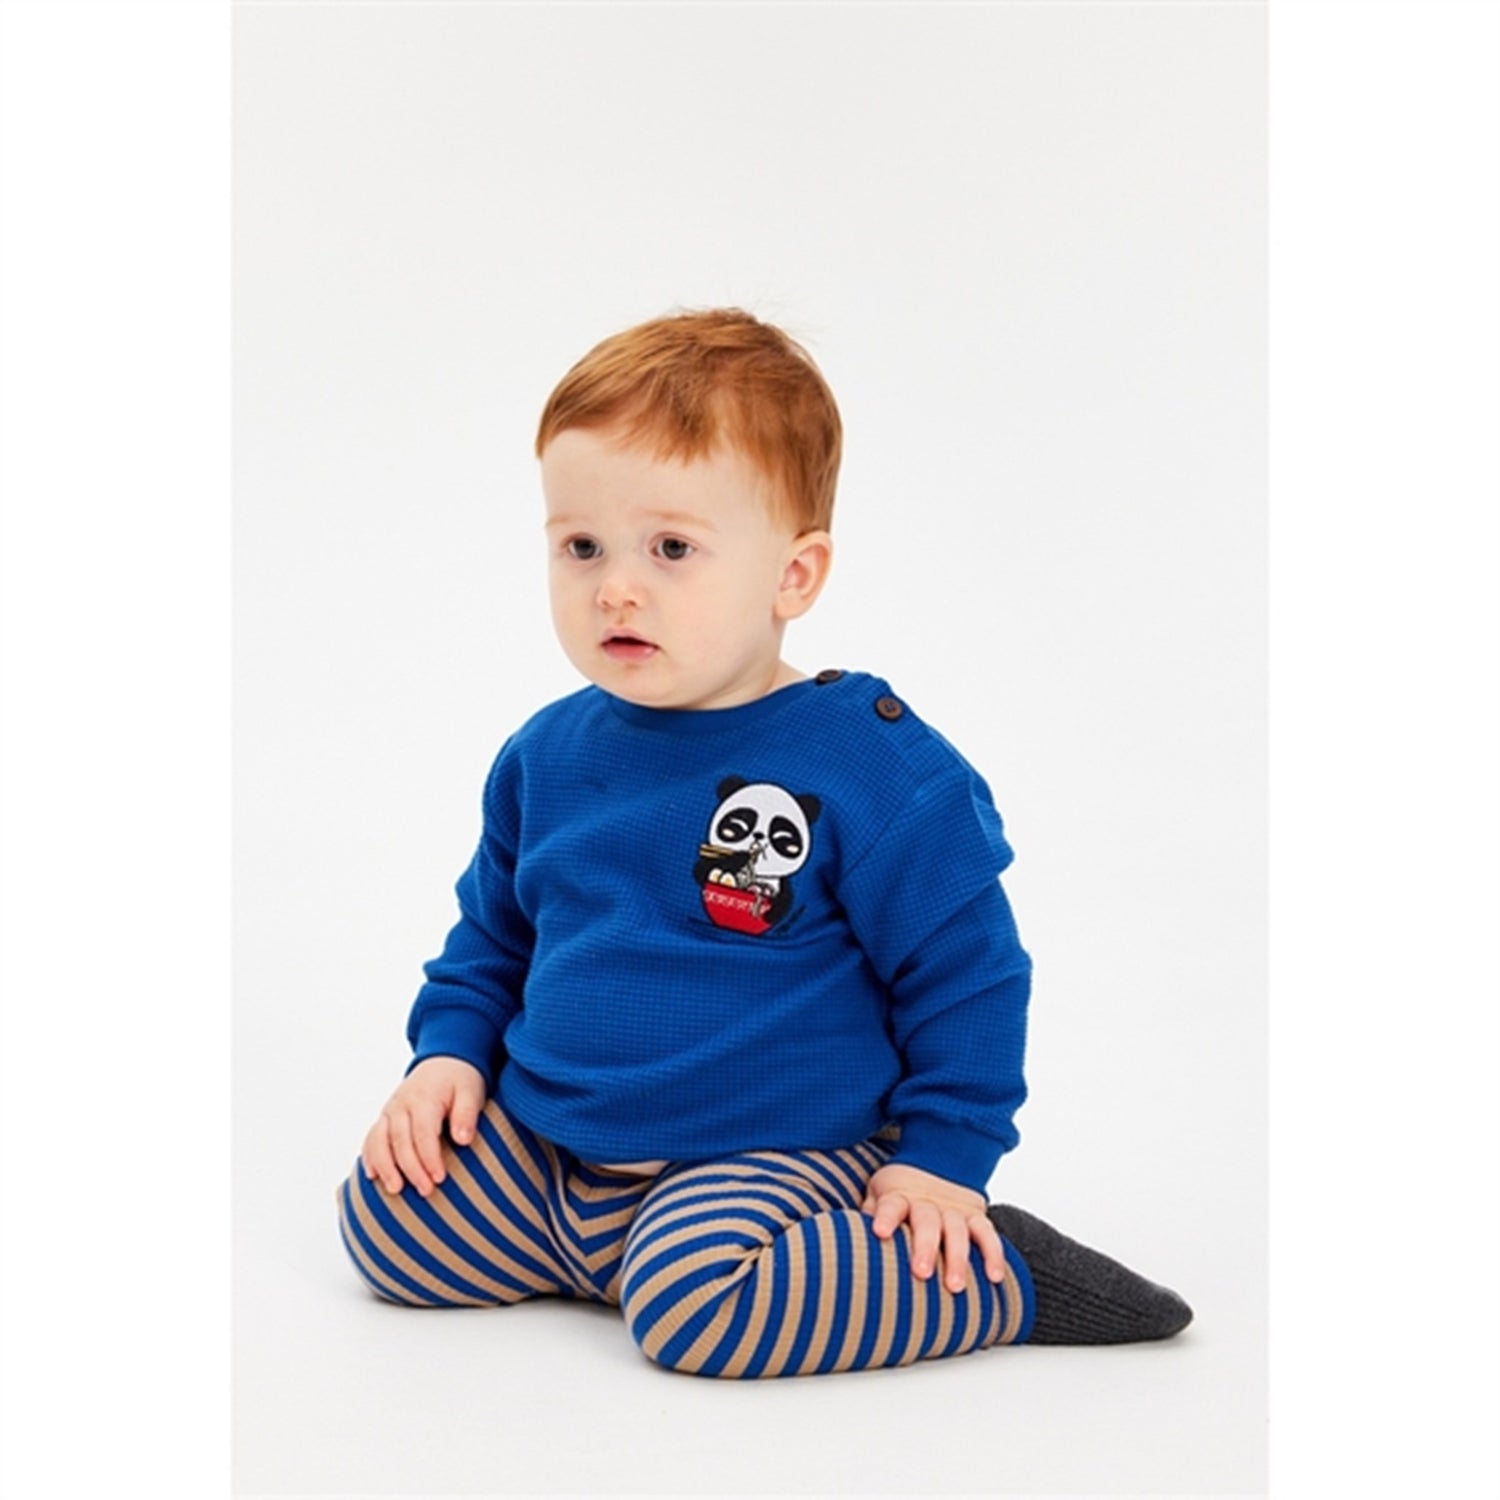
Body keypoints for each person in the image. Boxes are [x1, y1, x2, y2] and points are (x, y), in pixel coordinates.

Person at [336, 307, 1192, 1377]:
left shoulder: (870, 766)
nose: (616, 586)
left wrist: (944, 1161)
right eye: (581, 546)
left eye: (672, 548)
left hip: (772, 1155)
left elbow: (968, 976)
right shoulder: (546, 754)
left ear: (794, 575)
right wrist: (448, 1058)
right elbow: (492, 940)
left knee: (699, 1313)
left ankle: (995, 1278)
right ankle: (621, 1257)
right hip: (557, 1148)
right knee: (389, 1219)